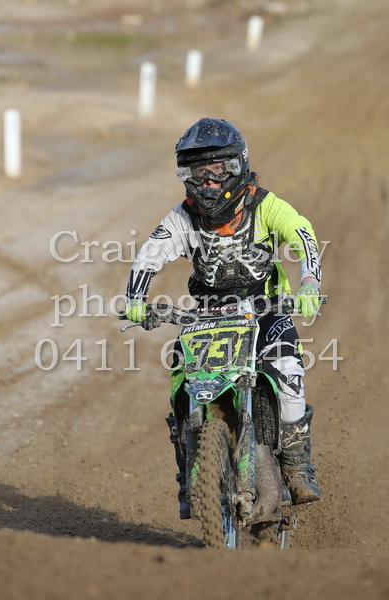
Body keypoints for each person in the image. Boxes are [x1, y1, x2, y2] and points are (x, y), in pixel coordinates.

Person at [124, 117, 322, 519]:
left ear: (237, 166)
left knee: (288, 371)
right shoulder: (183, 217)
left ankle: (297, 464)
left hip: (266, 310)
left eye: (217, 170)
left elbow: (302, 234)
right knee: (181, 381)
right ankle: (190, 474)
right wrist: (135, 298)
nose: (209, 182)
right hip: (208, 315)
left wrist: (309, 284)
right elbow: (150, 254)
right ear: (186, 176)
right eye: (199, 173)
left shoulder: (265, 205)